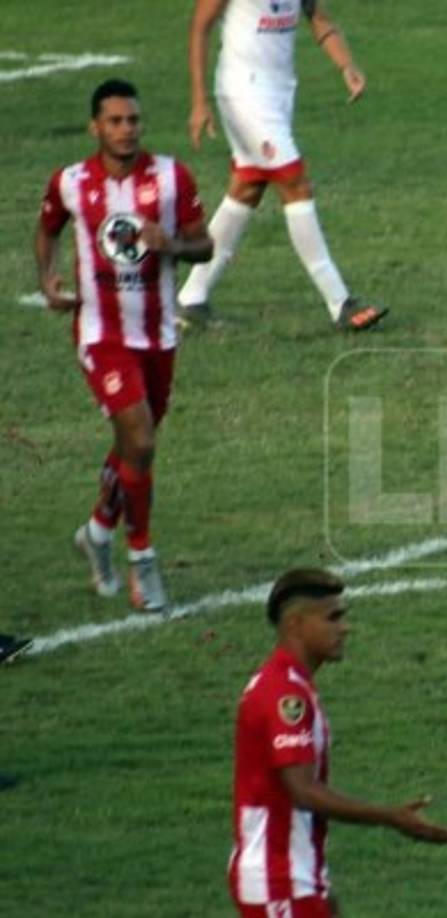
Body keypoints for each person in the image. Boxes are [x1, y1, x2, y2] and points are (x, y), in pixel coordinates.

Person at [36, 79, 214, 612]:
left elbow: (205, 245)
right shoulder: (71, 182)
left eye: (133, 120)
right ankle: (142, 559)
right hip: (101, 335)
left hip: (158, 336)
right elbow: (48, 228)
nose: (126, 129)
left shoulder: (171, 177)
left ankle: (97, 531)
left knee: (135, 447)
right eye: (114, 121)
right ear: (95, 127)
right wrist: (47, 278)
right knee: (140, 438)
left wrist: (171, 244)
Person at [231, 568, 447, 916]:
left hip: (293, 876)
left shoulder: (289, 683)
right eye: (332, 618)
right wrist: (390, 817)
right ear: (296, 625)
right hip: (280, 881)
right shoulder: (285, 694)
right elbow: (303, 791)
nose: (344, 628)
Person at [180, 0, 387, 332]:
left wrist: (345, 64)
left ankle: (193, 296)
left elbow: (317, 16)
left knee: (248, 187)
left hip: (279, 93)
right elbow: (200, 26)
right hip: (242, 91)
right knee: (294, 182)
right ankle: (340, 302)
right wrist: (199, 100)